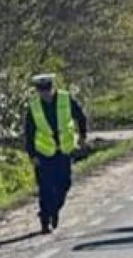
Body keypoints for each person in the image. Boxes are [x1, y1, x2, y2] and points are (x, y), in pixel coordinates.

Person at [23, 73, 89, 234]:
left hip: (64, 151)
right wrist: (32, 155)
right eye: (41, 90)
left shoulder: (66, 99)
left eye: (47, 89)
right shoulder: (34, 106)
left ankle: (54, 210)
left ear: (53, 88)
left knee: (64, 184)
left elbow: (81, 117)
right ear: (37, 91)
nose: (45, 93)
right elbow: (29, 132)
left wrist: (82, 136)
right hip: (44, 153)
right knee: (45, 188)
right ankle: (45, 220)